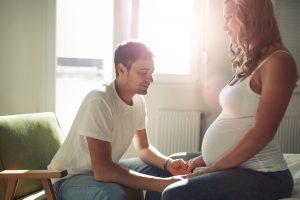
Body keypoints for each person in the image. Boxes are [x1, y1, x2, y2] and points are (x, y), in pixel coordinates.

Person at [162, 0, 298, 199]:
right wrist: (202, 159)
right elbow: (237, 123)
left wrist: (213, 168)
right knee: (164, 177)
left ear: (248, 16)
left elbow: (261, 134)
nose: (225, 27)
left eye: (228, 18)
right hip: (239, 167)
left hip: (265, 175)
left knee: (174, 194)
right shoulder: (252, 61)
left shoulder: (279, 61)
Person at [48, 40, 189, 200]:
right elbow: (103, 170)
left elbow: (143, 148)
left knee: (162, 172)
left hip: (100, 170)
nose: (150, 79)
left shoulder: (138, 101)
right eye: (143, 73)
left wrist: (168, 163)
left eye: (151, 72)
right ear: (121, 69)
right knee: (113, 194)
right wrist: (159, 184)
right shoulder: (99, 100)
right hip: (69, 178)